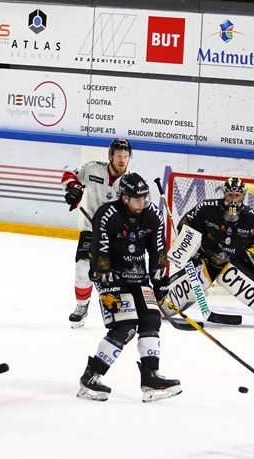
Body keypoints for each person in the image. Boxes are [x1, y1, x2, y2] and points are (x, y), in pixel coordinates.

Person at [76, 172, 181, 403]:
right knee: (124, 327)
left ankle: (150, 377)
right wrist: (106, 284)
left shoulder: (152, 214)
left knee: (151, 319)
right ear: (123, 197)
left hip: (139, 277)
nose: (141, 202)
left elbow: (158, 250)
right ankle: (91, 377)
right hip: (111, 278)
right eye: (136, 198)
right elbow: (100, 252)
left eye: (144, 197)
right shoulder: (107, 214)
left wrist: (160, 283)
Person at [160, 176, 254, 328]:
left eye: (237, 195)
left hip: (235, 262)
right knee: (196, 277)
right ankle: (162, 304)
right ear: (224, 194)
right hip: (206, 259)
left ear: (243, 196)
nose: (233, 199)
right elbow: (186, 223)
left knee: (238, 271)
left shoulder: (252, 218)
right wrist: (184, 239)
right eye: (230, 195)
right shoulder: (206, 208)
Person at [61, 138, 132, 328]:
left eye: (126, 156)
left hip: (117, 236)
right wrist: (73, 189)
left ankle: (122, 310)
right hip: (90, 231)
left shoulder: (131, 181)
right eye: (118, 156)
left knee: (117, 273)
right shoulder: (93, 168)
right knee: (83, 267)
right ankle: (82, 306)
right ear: (110, 156)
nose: (122, 160)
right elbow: (69, 175)